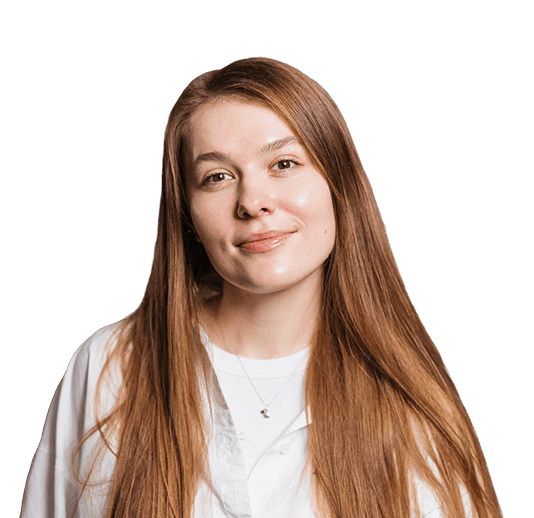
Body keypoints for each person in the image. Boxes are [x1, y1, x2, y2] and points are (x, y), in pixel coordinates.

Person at [20, 57, 502, 518]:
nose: (252, 201)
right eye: (217, 177)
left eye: (283, 164)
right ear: (188, 216)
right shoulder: (108, 366)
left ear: (340, 185)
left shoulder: (417, 409)